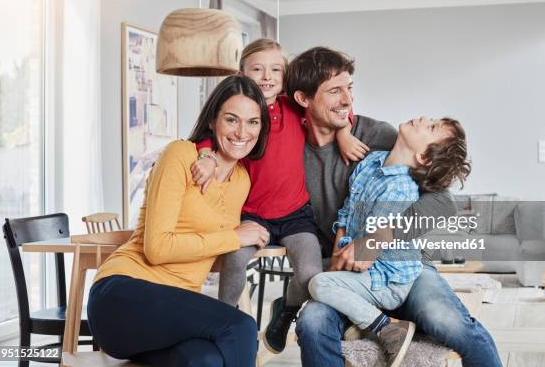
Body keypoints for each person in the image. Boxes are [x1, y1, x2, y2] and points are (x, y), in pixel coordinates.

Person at [287, 46, 503, 367]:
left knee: (445, 319)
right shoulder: (289, 147)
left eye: (349, 88)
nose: (347, 100)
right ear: (303, 99)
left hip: (402, 267)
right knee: (313, 323)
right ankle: (383, 326)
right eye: (335, 91)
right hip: (344, 269)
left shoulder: (379, 135)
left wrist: (376, 239)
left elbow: (443, 202)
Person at [190, 39, 367, 353]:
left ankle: (286, 308)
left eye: (275, 69)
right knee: (234, 259)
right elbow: (206, 134)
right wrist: (206, 157)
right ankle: (223, 317)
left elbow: (330, 112)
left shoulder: (293, 106)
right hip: (250, 214)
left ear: (286, 77)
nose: (267, 76)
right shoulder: (238, 110)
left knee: (311, 273)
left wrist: (344, 133)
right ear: (241, 73)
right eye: (257, 69)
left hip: (296, 214)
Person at [87, 75, 271, 367]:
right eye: (232, 120)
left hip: (172, 316)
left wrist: (249, 241)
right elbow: (157, 248)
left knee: (204, 360)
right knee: (241, 327)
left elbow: (205, 251)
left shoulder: (241, 181)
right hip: (122, 295)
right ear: (213, 121)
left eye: (253, 122)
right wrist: (235, 237)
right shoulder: (181, 154)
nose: (242, 132)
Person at [309, 117, 471, 366]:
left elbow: (369, 247)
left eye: (431, 127)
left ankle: (387, 330)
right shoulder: (371, 161)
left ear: (424, 158)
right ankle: (357, 320)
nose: (423, 118)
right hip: (360, 266)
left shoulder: (399, 189)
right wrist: (339, 244)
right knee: (304, 285)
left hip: (388, 278)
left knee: (320, 284)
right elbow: (349, 208)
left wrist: (341, 265)